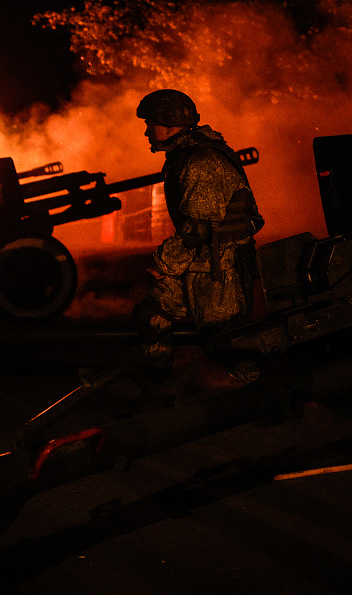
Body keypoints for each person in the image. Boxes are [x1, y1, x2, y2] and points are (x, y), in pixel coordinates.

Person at [132, 89, 263, 383]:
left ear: (170, 125)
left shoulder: (202, 161)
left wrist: (164, 264)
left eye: (151, 123)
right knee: (152, 317)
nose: (147, 131)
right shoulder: (185, 156)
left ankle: (271, 390)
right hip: (199, 262)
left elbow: (197, 227)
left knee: (224, 345)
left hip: (221, 270)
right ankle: (159, 392)